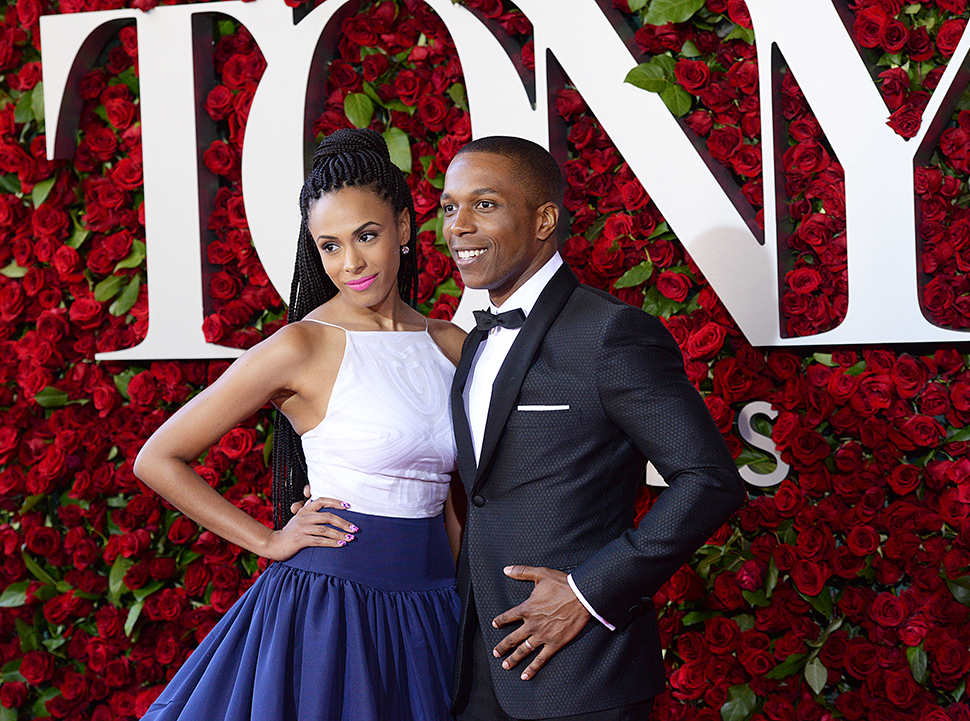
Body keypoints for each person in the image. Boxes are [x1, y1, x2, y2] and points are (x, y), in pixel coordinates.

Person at [133, 128, 467, 721]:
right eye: (330, 246)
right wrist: (268, 540)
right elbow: (157, 458)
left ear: (405, 228)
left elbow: (456, 500)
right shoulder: (300, 346)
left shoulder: (452, 345)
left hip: (435, 605)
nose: (351, 262)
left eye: (367, 236)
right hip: (332, 609)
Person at [441, 136, 747, 721]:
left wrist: (587, 591)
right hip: (477, 661)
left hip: (583, 672)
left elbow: (708, 479)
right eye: (450, 207)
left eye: (484, 205)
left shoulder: (610, 333)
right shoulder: (477, 339)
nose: (458, 226)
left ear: (544, 219)